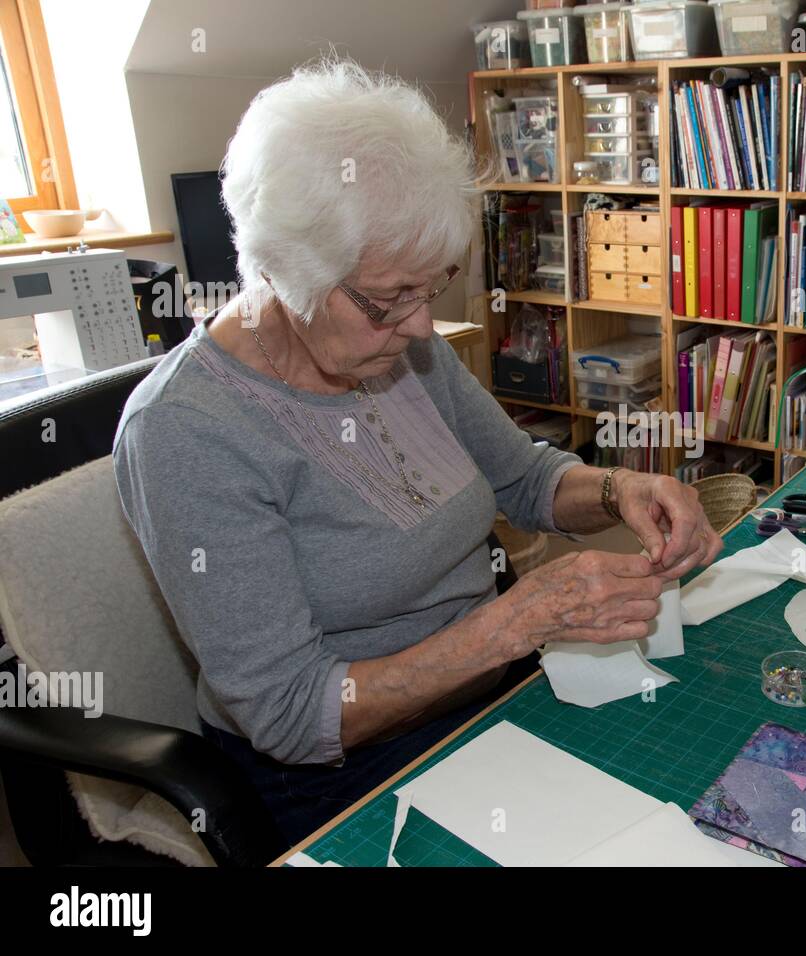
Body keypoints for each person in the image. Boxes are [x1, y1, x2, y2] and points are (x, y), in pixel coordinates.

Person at [113, 59, 722, 846]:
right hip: (343, 770)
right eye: (392, 299)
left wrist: (617, 492)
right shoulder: (188, 432)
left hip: (489, 697)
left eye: (430, 291)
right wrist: (516, 623)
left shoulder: (393, 349)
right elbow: (294, 715)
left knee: (677, 798)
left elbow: (528, 480)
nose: (423, 329)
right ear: (287, 271)